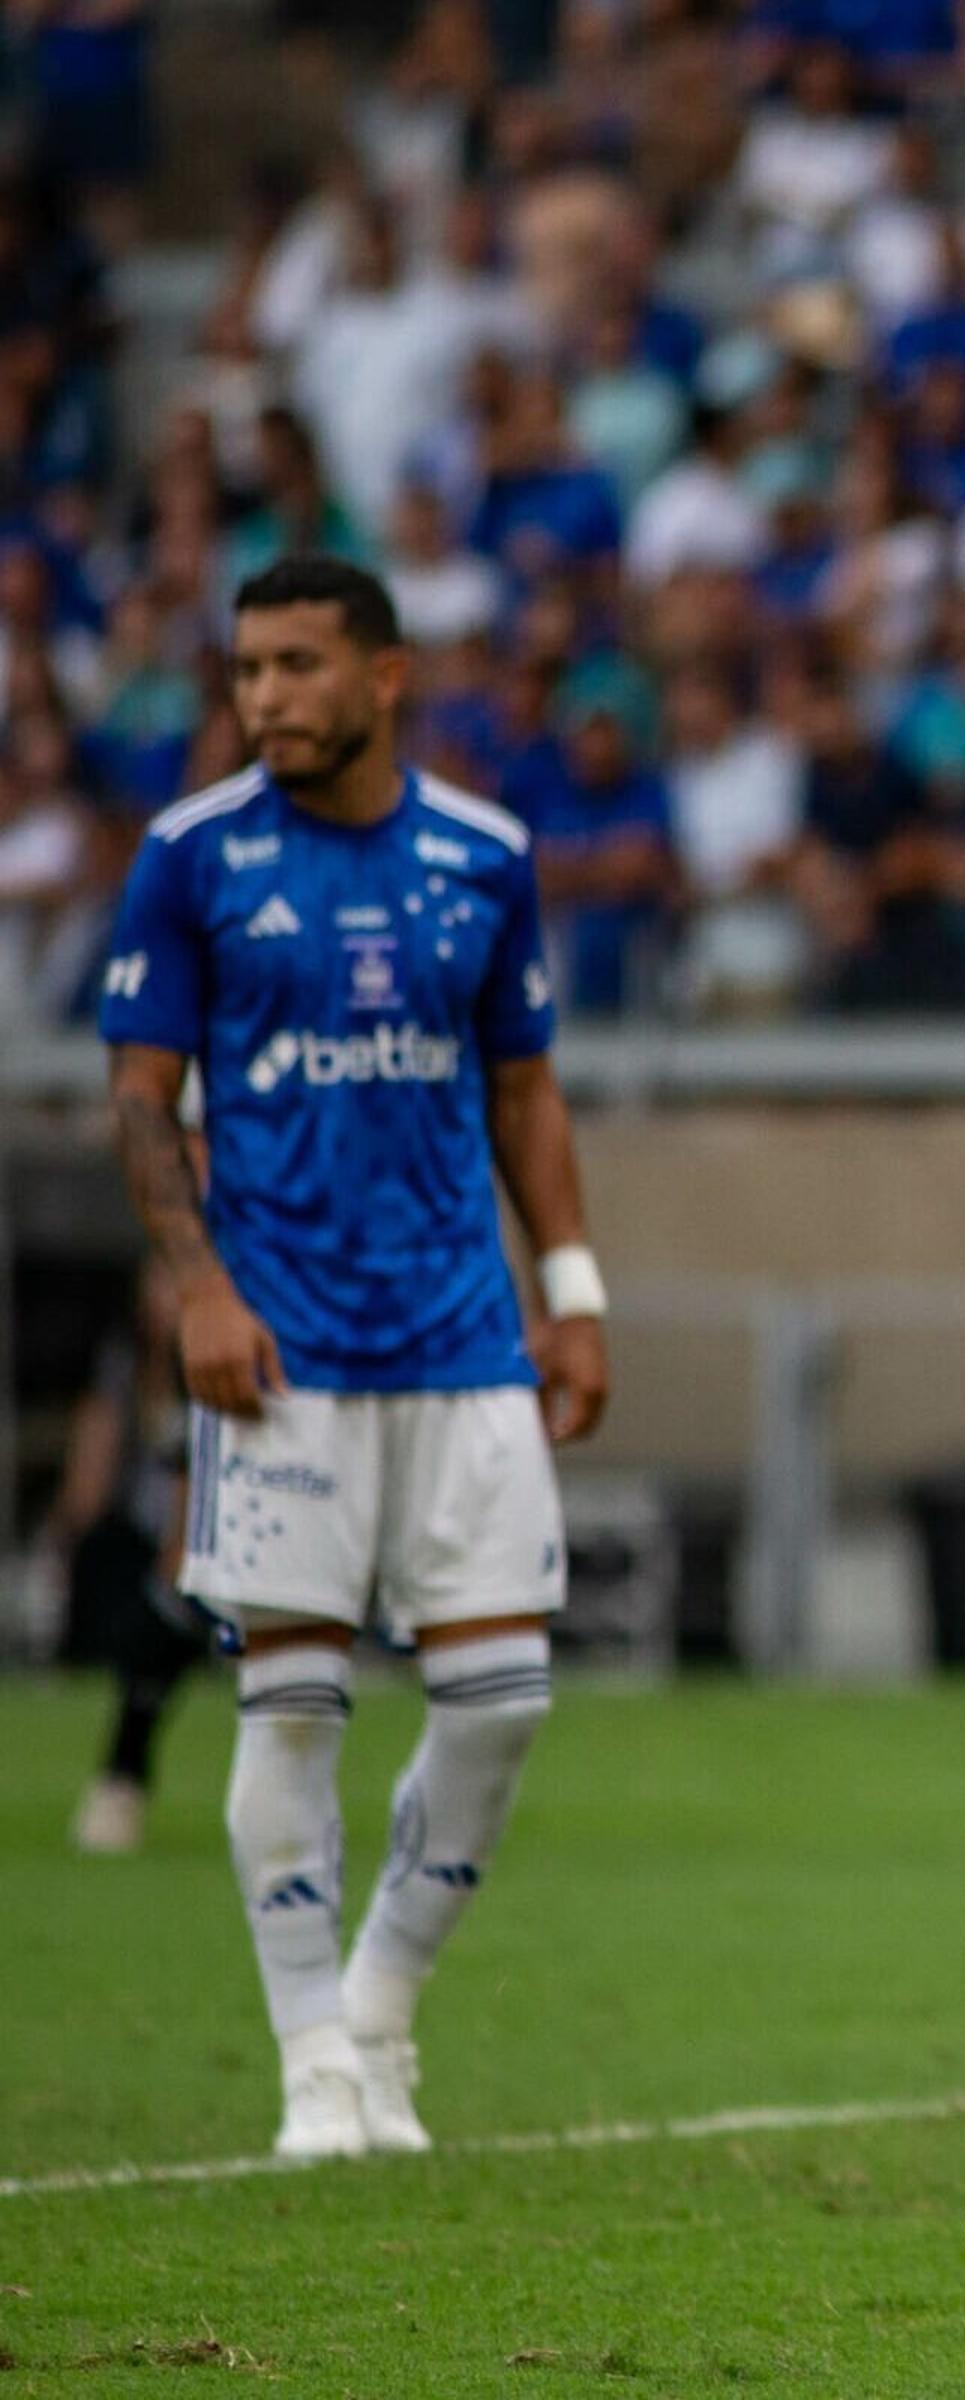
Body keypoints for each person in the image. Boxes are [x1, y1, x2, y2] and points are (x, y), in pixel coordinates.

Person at [93, 558, 610, 2159]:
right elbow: (137, 1098)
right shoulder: (189, 860)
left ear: (386, 676)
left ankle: (382, 2006)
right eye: (249, 669)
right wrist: (198, 1288)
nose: (266, 697)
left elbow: (524, 1090)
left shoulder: (485, 856)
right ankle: (315, 2056)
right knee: (294, 1710)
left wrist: (574, 1290)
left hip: (461, 1342)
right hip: (285, 1349)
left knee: (503, 1701)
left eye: (301, 665)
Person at [56, 1258, 205, 1857]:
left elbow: (193, 1482)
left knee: (164, 1623)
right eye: (159, 1282)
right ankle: (121, 1782)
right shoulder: (128, 1365)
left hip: (214, 1533)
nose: (167, 1297)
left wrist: (178, 1560)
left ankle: (121, 1782)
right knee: (152, 1634)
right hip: (150, 1533)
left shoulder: (222, 1353)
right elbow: (94, 1458)